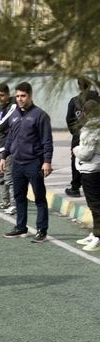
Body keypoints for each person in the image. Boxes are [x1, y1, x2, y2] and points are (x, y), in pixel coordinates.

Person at [0, 82, 53, 243]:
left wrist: (47, 161)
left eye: (23, 96)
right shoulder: (14, 114)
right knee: (19, 197)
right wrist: (4, 156)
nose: (20, 99)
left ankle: (41, 230)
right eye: (17, 96)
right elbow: (10, 137)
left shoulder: (40, 115)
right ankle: (20, 227)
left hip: (34, 163)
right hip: (16, 163)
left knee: (39, 198)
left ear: (30, 96)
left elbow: (47, 141)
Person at [65, 78, 100, 197]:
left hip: (79, 134)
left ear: (78, 86)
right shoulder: (98, 100)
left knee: (77, 158)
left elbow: (70, 120)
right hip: (97, 132)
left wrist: (76, 133)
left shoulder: (74, 101)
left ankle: (75, 187)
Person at [73, 100, 100, 251]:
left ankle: (98, 237)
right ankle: (95, 233)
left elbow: (86, 153)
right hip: (92, 169)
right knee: (94, 205)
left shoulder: (92, 127)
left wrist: (76, 150)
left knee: (95, 205)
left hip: (92, 170)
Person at [0, 84, 18, 214]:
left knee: (9, 176)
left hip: (7, 147)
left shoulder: (13, 106)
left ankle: (14, 204)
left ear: (7, 94)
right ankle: (5, 201)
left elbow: (1, 125)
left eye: (2, 95)